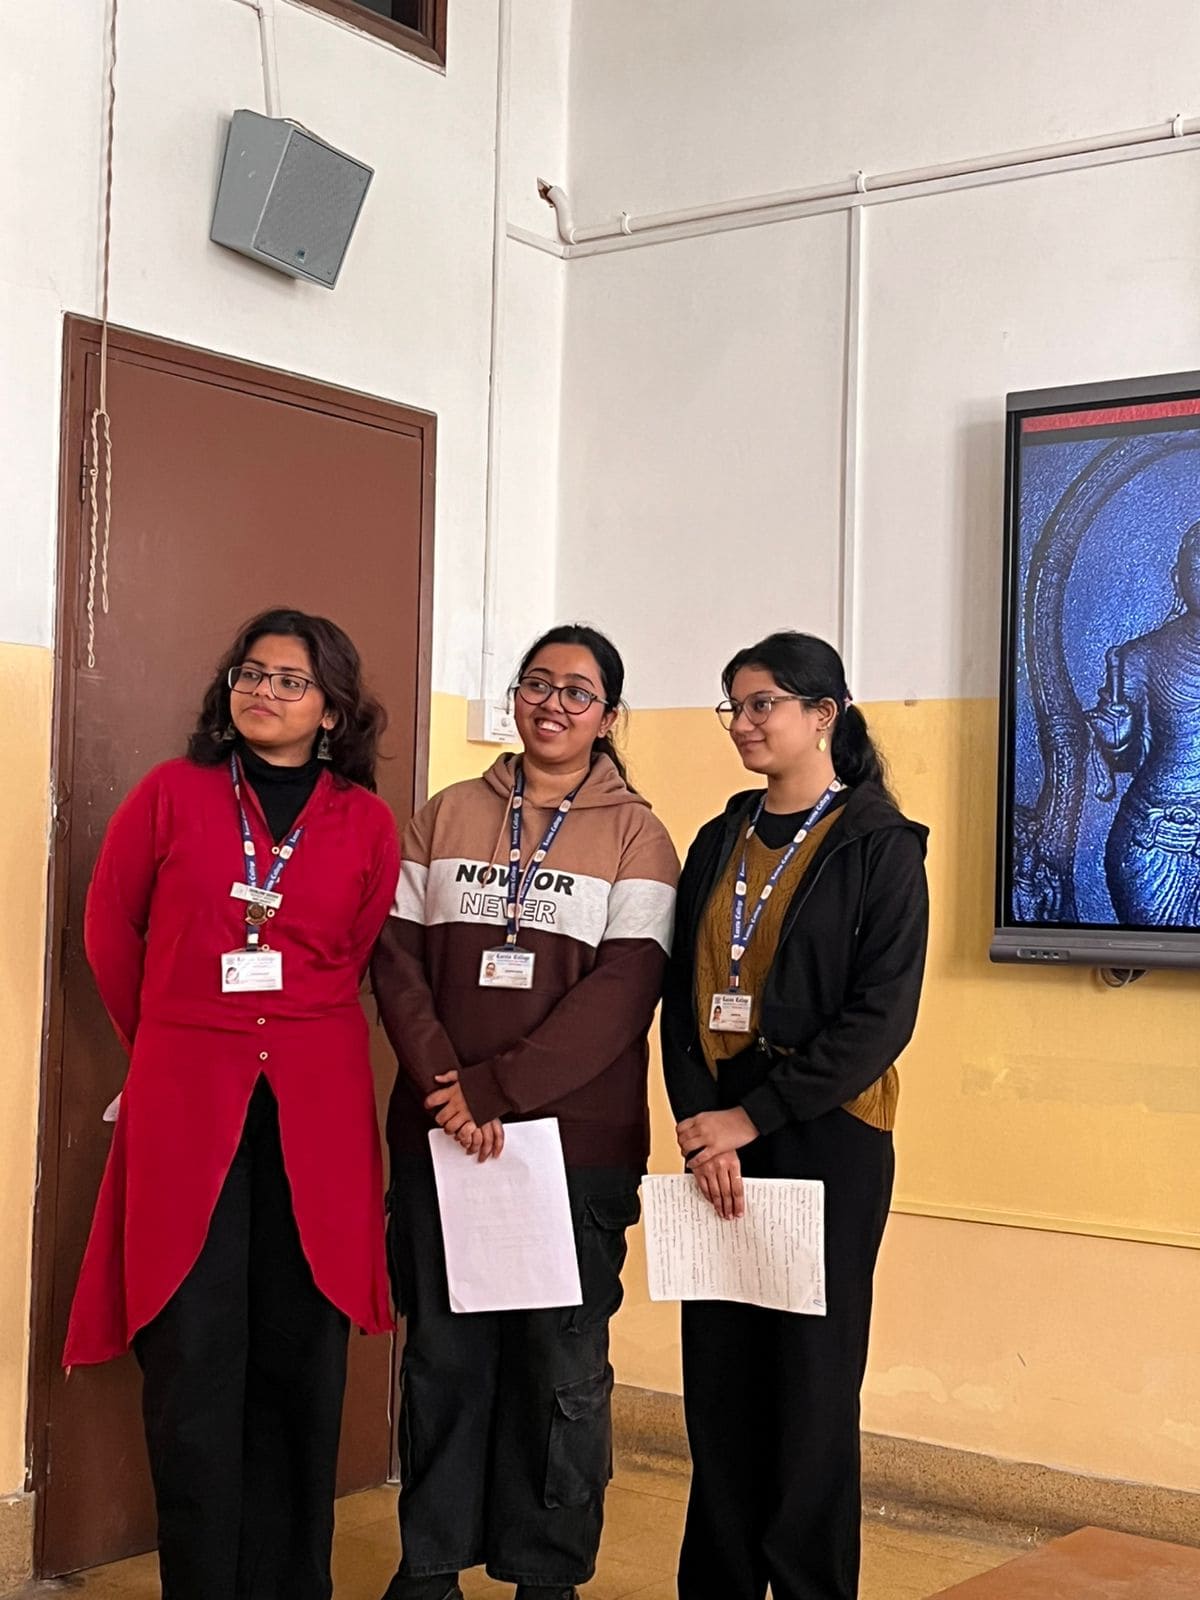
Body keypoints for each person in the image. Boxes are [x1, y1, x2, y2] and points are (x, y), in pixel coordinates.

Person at [64, 607, 400, 1600]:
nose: (263, 691)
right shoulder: (172, 795)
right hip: (187, 1103)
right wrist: (169, 1042)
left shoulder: (366, 822)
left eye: (291, 680)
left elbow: (354, 953)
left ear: (332, 710)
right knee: (193, 1358)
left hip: (317, 1111)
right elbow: (109, 929)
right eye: (250, 673)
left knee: (303, 1357)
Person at [372, 624, 680, 1600]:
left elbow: (623, 996)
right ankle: (430, 1565)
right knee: (443, 1357)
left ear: (609, 716)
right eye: (537, 684)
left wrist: (493, 1090)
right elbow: (395, 961)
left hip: (573, 1149)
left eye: (577, 691)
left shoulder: (638, 836)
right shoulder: (446, 813)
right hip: (441, 1136)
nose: (553, 703)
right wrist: (446, 1087)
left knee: (560, 1368)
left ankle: (546, 1576)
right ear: (515, 696)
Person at [661, 631, 929, 1600]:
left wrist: (755, 1116)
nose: (742, 722)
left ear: (824, 715)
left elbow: (880, 1020)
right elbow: (678, 1004)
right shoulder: (718, 836)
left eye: (762, 703)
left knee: (811, 1393)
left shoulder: (879, 843)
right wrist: (703, 1125)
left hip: (827, 1138)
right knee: (721, 1388)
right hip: (717, 1144)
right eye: (732, 705)